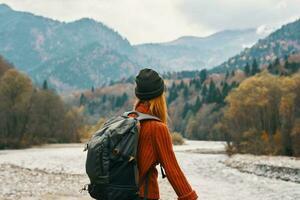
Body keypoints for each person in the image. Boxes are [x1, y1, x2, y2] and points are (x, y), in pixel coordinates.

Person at [131, 68, 198, 200]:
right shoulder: (156, 128)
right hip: (144, 195)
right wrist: (190, 198)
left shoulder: (128, 119)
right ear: (159, 96)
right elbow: (173, 170)